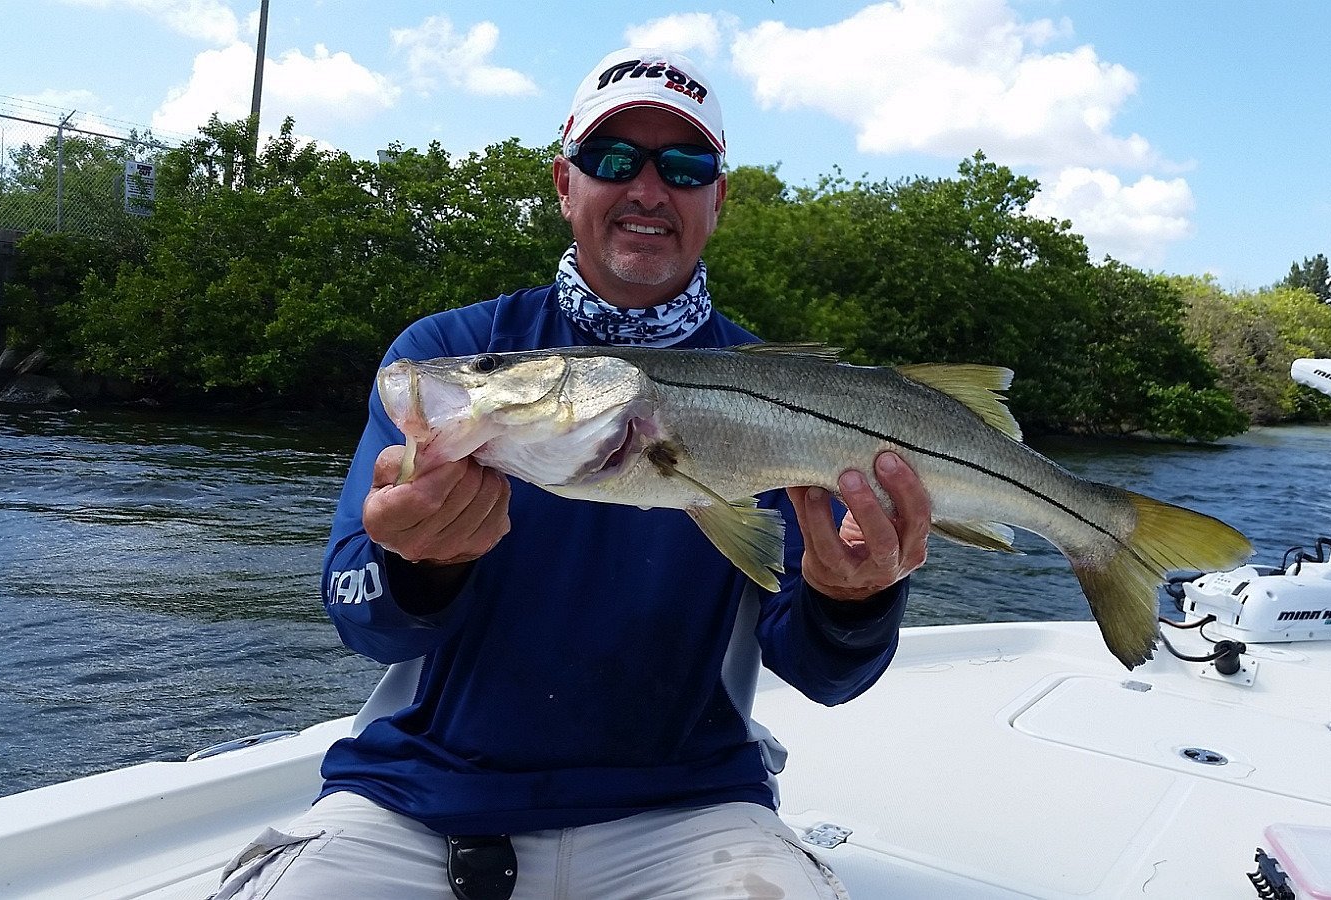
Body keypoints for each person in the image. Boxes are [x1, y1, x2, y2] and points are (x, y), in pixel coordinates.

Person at [212, 47, 932, 900]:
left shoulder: (779, 397)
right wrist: (423, 567)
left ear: (718, 199)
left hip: (692, 809)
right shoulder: (445, 357)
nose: (648, 189)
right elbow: (361, 618)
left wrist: (854, 599)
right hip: (418, 800)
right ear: (565, 184)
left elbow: (826, 675)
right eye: (613, 159)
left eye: (686, 164)